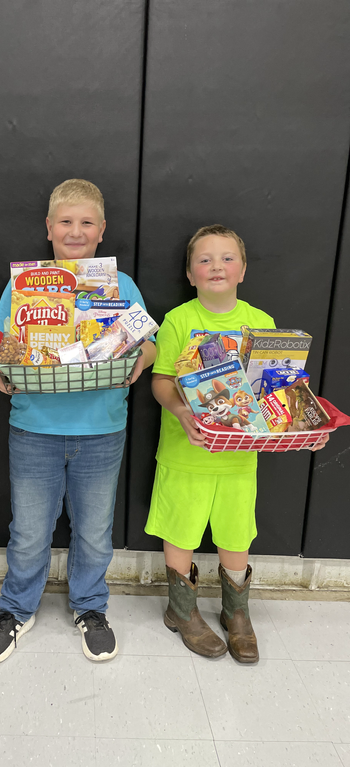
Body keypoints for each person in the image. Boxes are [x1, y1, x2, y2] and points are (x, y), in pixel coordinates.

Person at [0, 179, 157, 664]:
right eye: (65, 222)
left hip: (101, 429)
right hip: (35, 427)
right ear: (49, 228)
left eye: (86, 223)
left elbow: (149, 341)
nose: (75, 232)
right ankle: (16, 609)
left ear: (101, 231)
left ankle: (90, 608)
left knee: (95, 531)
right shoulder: (24, 285)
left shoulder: (118, 285)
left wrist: (140, 360)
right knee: (30, 530)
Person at [145, 224, 328, 663]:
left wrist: (303, 421)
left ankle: (236, 613)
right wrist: (182, 411)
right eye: (204, 259)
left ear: (243, 269)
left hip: (240, 458)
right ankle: (181, 610)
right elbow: (161, 380)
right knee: (180, 529)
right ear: (190, 273)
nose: (216, 266)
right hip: (185, 451)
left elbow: (276, 387)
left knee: (235, 531)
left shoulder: (261, 323)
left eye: (227, 258)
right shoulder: (179, 320)